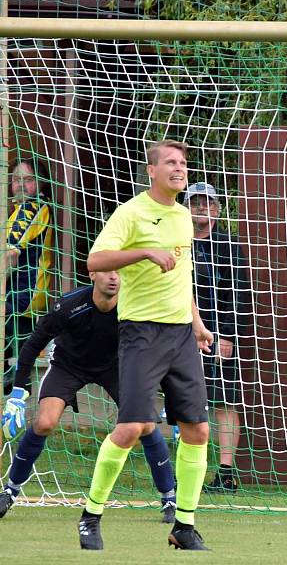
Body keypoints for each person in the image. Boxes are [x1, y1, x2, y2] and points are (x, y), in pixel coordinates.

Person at [76, 140, 214, 551]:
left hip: (180, 335)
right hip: (141, 333)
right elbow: (94, 262)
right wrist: (144, 252)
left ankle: (184, 526)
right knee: (132, 426)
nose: (179, 168)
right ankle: (91, 514)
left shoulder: (184, 218)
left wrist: (198, 324)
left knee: (197, 429)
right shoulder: (131, 213)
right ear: (151, 171)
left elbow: (182, 277)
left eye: (184, 163)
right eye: (170, 162)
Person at [0, 271, 177, 523]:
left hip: (115, 368)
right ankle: (10, 491)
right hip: (67, 365)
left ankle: (169, 499)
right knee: (44, 423)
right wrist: (17, 393)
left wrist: (172, 393)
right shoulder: (69, 305)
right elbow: (31, 344)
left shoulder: (134, 307)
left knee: (146, 425)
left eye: (120, 272)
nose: (114, 277)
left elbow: (155, 350)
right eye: (108, 271)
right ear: (93, 273)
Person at [184, 182, 250, 494]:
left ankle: (225, 473)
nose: (201, 208)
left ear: (218, 209)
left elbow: (237, 293)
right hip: (178, 333)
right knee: (182, 400)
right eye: (195, 202)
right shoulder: (177, 242)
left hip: (216, 332)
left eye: (207, 202)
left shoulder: (228, 246)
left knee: (224, 400)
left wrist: (228, 334)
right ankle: (187, 470)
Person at [4, 158, 54, 395]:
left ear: (41, 183)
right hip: (15, 296)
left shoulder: (32, 208)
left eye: (28, 180)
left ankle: (14, 412)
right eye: (16, 179)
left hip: (22, 296)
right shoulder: (17, 210)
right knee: (15, 363)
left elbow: (10, 254)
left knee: (15, 366)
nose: (21, 185)